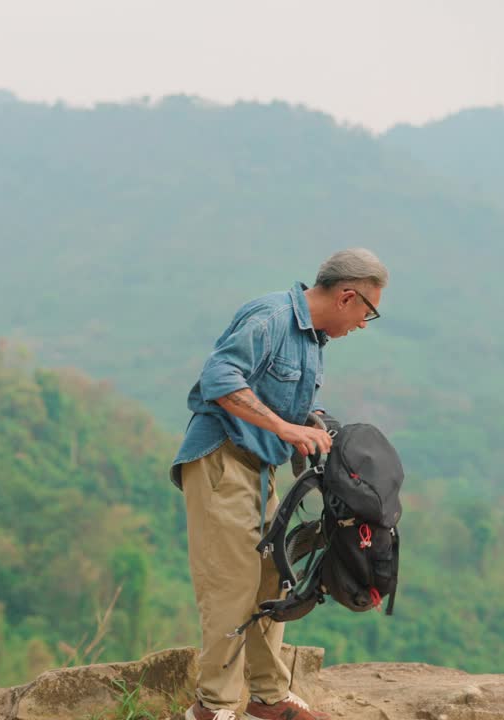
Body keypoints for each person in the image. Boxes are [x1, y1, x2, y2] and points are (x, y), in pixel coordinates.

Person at [171, 248, 388, 720]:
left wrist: (312, 426)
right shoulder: (272, 318)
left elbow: (279, 404)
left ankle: (267, 698)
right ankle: (214, 706)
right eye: (368, 311)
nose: (364, 324)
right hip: (221, 459)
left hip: (261, 469)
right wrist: (286, 429)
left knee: (275, 578)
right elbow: (219, 377)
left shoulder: (312, 341)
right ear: (348, 297)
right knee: (231, 584)